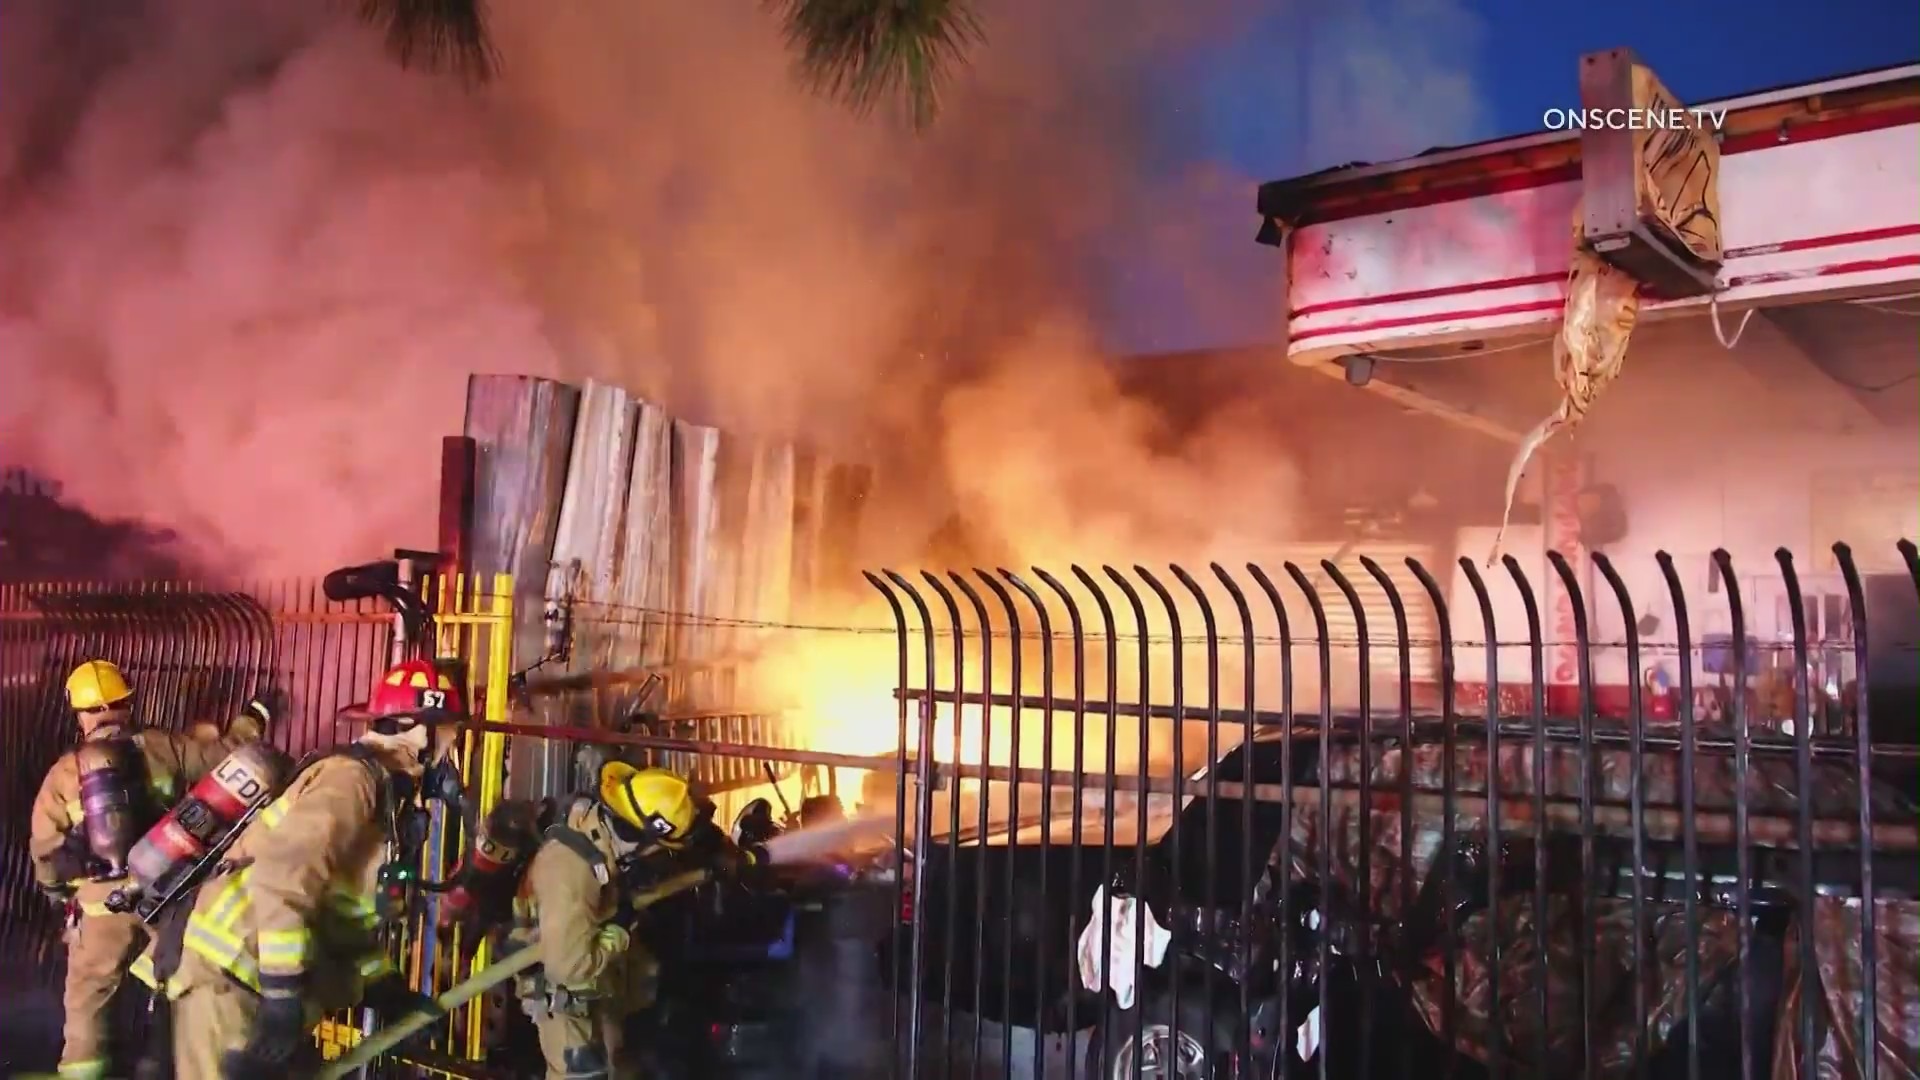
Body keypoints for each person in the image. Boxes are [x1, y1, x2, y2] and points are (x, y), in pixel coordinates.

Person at [139, 657, 463, 1080]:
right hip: (231, 978)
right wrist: (282, 991)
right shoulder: (352, 782)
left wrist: (384, 989)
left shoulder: (383, 795)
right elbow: (282, 877)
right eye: (450, 734)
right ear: (421, 730)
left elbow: (341, 913)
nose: (451, 750)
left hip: (256, 979)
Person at [27, 660, 276, 1080]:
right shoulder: (163, 746)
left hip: (102, 907)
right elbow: (227, 757)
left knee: (88, 1000)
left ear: (79, 711)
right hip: (169, 897)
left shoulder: (63, 775)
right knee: (174, 988)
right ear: (127, 701)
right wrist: (254, 719)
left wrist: (61, 897)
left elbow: (45, 852)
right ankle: (163, 1063)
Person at [510, 762, 763, 1080]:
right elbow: (571, 969)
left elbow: (684, 836)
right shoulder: (570, 874)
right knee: (586, 1073)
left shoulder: (606, 825)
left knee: (625, 1061)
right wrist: (619, 928)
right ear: (642, 839)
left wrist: (726, 855)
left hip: (599, 979)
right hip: (567, 997)